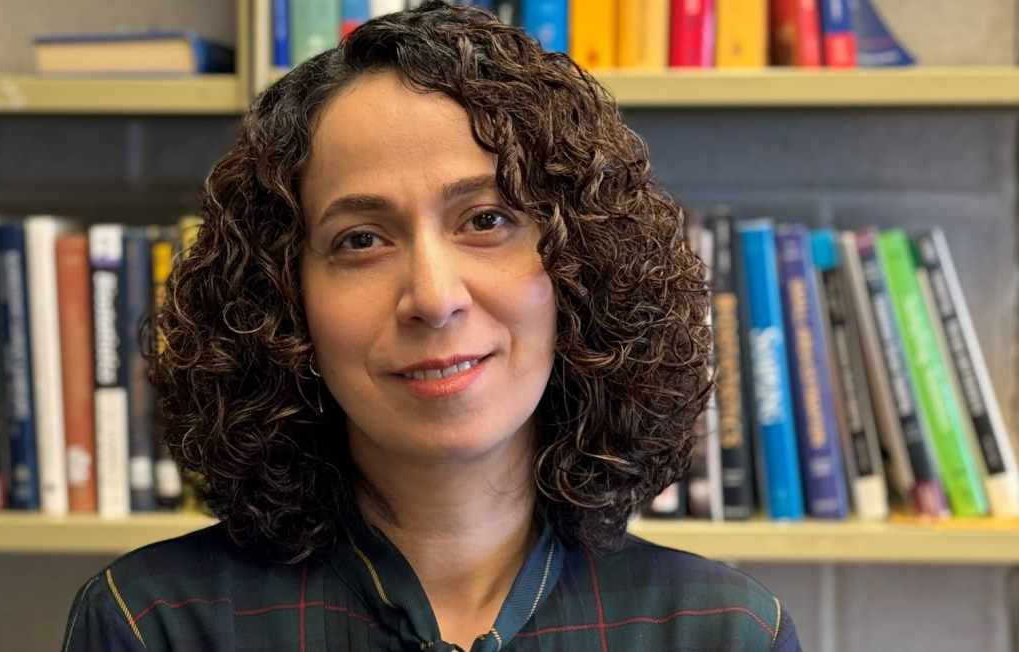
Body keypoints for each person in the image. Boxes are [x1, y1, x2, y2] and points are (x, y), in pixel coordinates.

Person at [62, 3, 801, 651]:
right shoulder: (155, 624)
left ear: (585, 271)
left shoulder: (723, 633)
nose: (432, 296)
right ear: (282, 302)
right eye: (360, 239)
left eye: (487, 220)